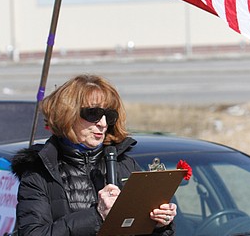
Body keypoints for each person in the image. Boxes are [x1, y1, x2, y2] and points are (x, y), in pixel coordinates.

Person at [11, 74, 177, 235]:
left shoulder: (125, 165)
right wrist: (97, 216)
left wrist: (159, 225)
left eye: (109, 116)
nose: (103, 124)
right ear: (67, 114)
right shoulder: (40, 171)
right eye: (93, 114)